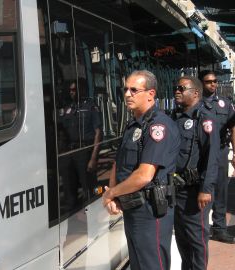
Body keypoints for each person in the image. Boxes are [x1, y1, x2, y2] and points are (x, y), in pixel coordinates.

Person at [102, 70, 180, 270]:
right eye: (125, 89)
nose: (127, 94)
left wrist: (111, 192)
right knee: (138, 264)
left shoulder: (158, 126)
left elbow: (144, 175)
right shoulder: (133, 124)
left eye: (134, 90)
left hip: (150, 211)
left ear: (150, 94)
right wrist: (112, 196)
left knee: (151, 264)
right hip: (133, 207)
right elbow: (118, 162)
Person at [171, 76, 220, 270]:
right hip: (176, 189)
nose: (177, 91)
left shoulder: (204, 118)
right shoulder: (175, 117)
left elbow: (211, 156)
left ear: (196, 93)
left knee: (197, 240)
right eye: (176, 87)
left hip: (195, 191)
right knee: (182, 238)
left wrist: (205, 189)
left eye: (181, 88)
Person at [199, 70, 235, 244]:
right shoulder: (195, 104)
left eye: (215, 81)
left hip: (221, 152)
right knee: (202, 190)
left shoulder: (225, 103)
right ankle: (201, 229)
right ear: (201, 83)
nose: (213, 84)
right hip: (201, 154)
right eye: (209, 82)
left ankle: (220, 229)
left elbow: (234, 129)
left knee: (221, 191)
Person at [59, 79, 102, 212]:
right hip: (69, 152)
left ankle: (94, 216)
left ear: (82, 90)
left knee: (88, 188)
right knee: (68, 187)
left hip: (84, 152)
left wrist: (94, 158)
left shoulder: (91, 107)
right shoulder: (68, 108)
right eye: (71, 90)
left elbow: (98, 133)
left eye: (74, 90)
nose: (72, 92)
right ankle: (72, 216)